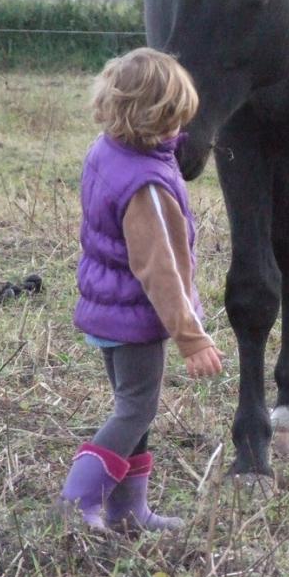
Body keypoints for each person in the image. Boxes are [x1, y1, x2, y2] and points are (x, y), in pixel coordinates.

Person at [59, 47, 223, 532]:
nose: (181, 127)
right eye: (175, 116)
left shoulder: (108, 150)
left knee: (136, 409)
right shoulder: (146, 185)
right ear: (154, 118)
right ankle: (76, 501)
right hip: (135, 317)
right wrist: (191, 338)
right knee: (135, 409)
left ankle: (129, 511)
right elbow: (160, 269)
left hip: (108, 309)